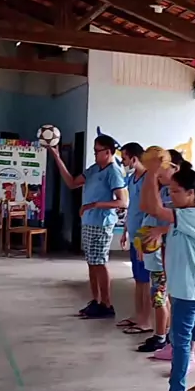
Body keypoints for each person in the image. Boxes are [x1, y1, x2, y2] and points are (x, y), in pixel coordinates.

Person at [140, 158, 195, 391]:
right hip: (188, 285)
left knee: (180, 340)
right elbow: (150, 208)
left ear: (192, 194)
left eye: (175, 192)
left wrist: (151, 173)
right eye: (170, 191)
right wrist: (160, 232)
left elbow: (154, 209)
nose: (171, 196)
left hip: (190, 287)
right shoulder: (183, 215)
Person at [48, 134, 127, 318]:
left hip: (102, 223)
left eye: (98, 151)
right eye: (94, 150)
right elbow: (71, 182)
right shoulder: (94, 169)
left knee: (100, 262)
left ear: (108, 152)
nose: (95, 154)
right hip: (89, 222)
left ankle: (107, 304)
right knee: (92, 262)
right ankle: (96, 300)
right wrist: (57, 157)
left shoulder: (113, 172)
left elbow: (123, 202)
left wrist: (94, 205)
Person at [117, 142, 153, 335]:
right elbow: (132, 207)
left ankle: (146, 320)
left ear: (134, 158)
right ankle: (137, 315)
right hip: (133, 234)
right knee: (138, 279)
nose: (122, 162)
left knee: (145, 280)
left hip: (143, 237)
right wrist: (125, 230)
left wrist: (143, 238)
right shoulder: (132, 179)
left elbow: (148, 211)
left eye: (124, 158)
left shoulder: (149, 179)